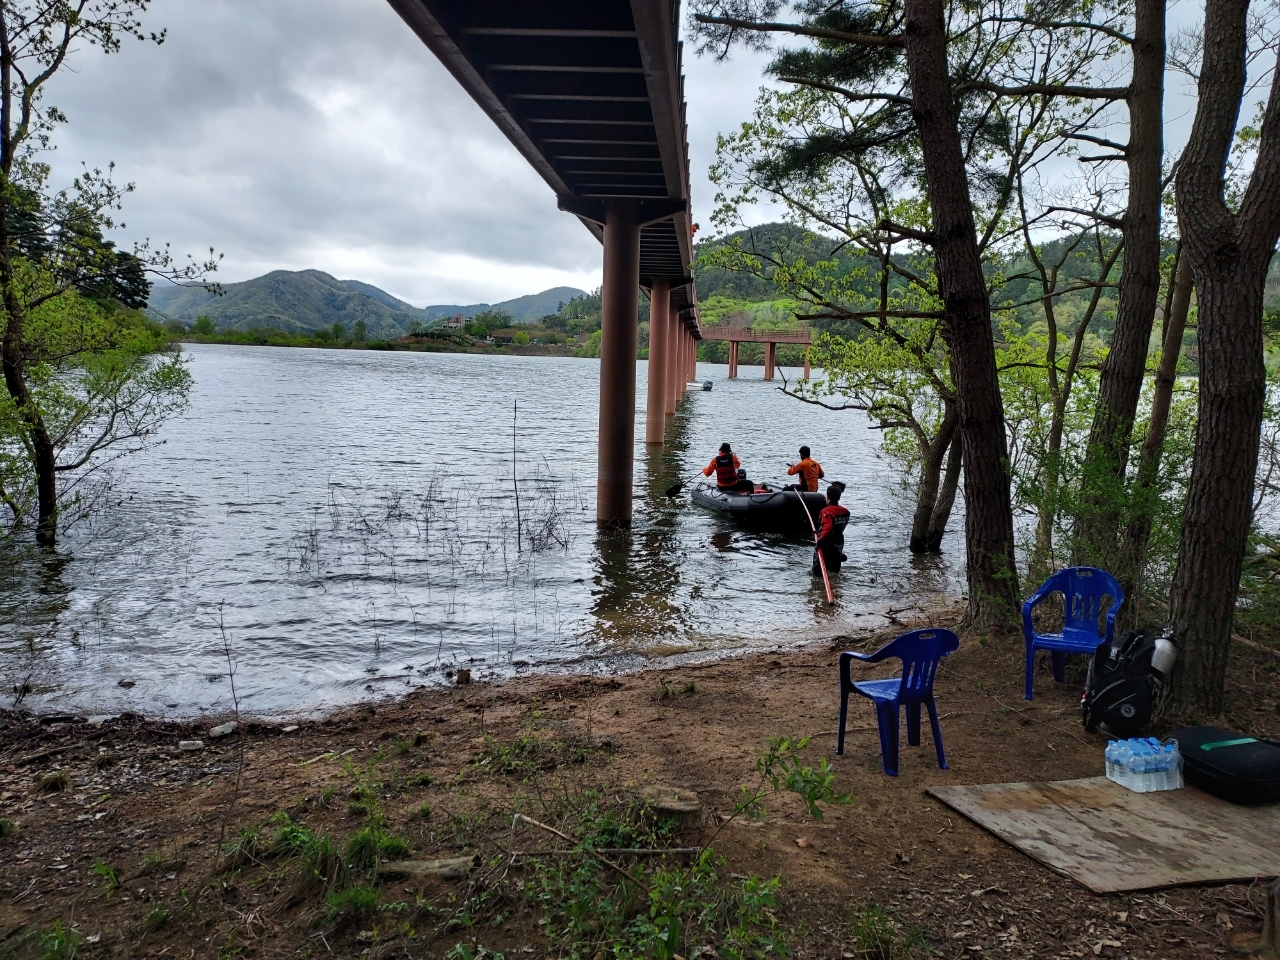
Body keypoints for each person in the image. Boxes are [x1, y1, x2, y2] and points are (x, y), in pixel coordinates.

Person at [813, 484, 850, 576]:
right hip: (839, 541)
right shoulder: (846, 512)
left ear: (828, 497)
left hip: (826, 543)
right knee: (835, 569)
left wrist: (819, 541)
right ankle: (835, 584)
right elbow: (842, 525)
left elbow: (827, 527)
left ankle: (820, 583)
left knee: (818, 570)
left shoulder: (826, 511)